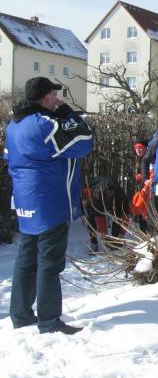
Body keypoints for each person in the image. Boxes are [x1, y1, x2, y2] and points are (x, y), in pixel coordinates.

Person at [6, 77, 94, 334]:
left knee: (26, 257)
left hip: (25, 198)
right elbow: (84, 141)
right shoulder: (43, 124)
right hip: (49, 200)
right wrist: (67, 113)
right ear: (45, 97)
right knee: (49, 261)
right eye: (54, 95)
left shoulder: (13, 125)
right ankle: (49, 321)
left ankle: (20, 315)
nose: (57, 99)